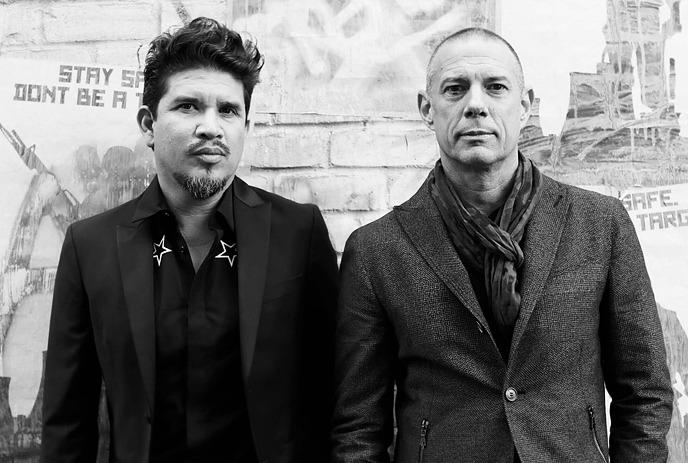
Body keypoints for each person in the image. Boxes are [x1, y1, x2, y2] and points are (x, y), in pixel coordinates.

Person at [331, 28, 673, 463]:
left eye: (495, 87)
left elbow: (645, 393)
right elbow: (358, 426)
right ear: (427, 109)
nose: (475, 104)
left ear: (524, 105)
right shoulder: (377, 250)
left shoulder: (600, 225)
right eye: (455, 89)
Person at [41, 17, 338, 463]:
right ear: (148, 124)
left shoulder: (300, 232)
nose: (211, 127)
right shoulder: (90, 246)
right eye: (188, 107)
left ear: (246, 127)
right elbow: (68, 421)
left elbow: (333, 395)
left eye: (228, 110)